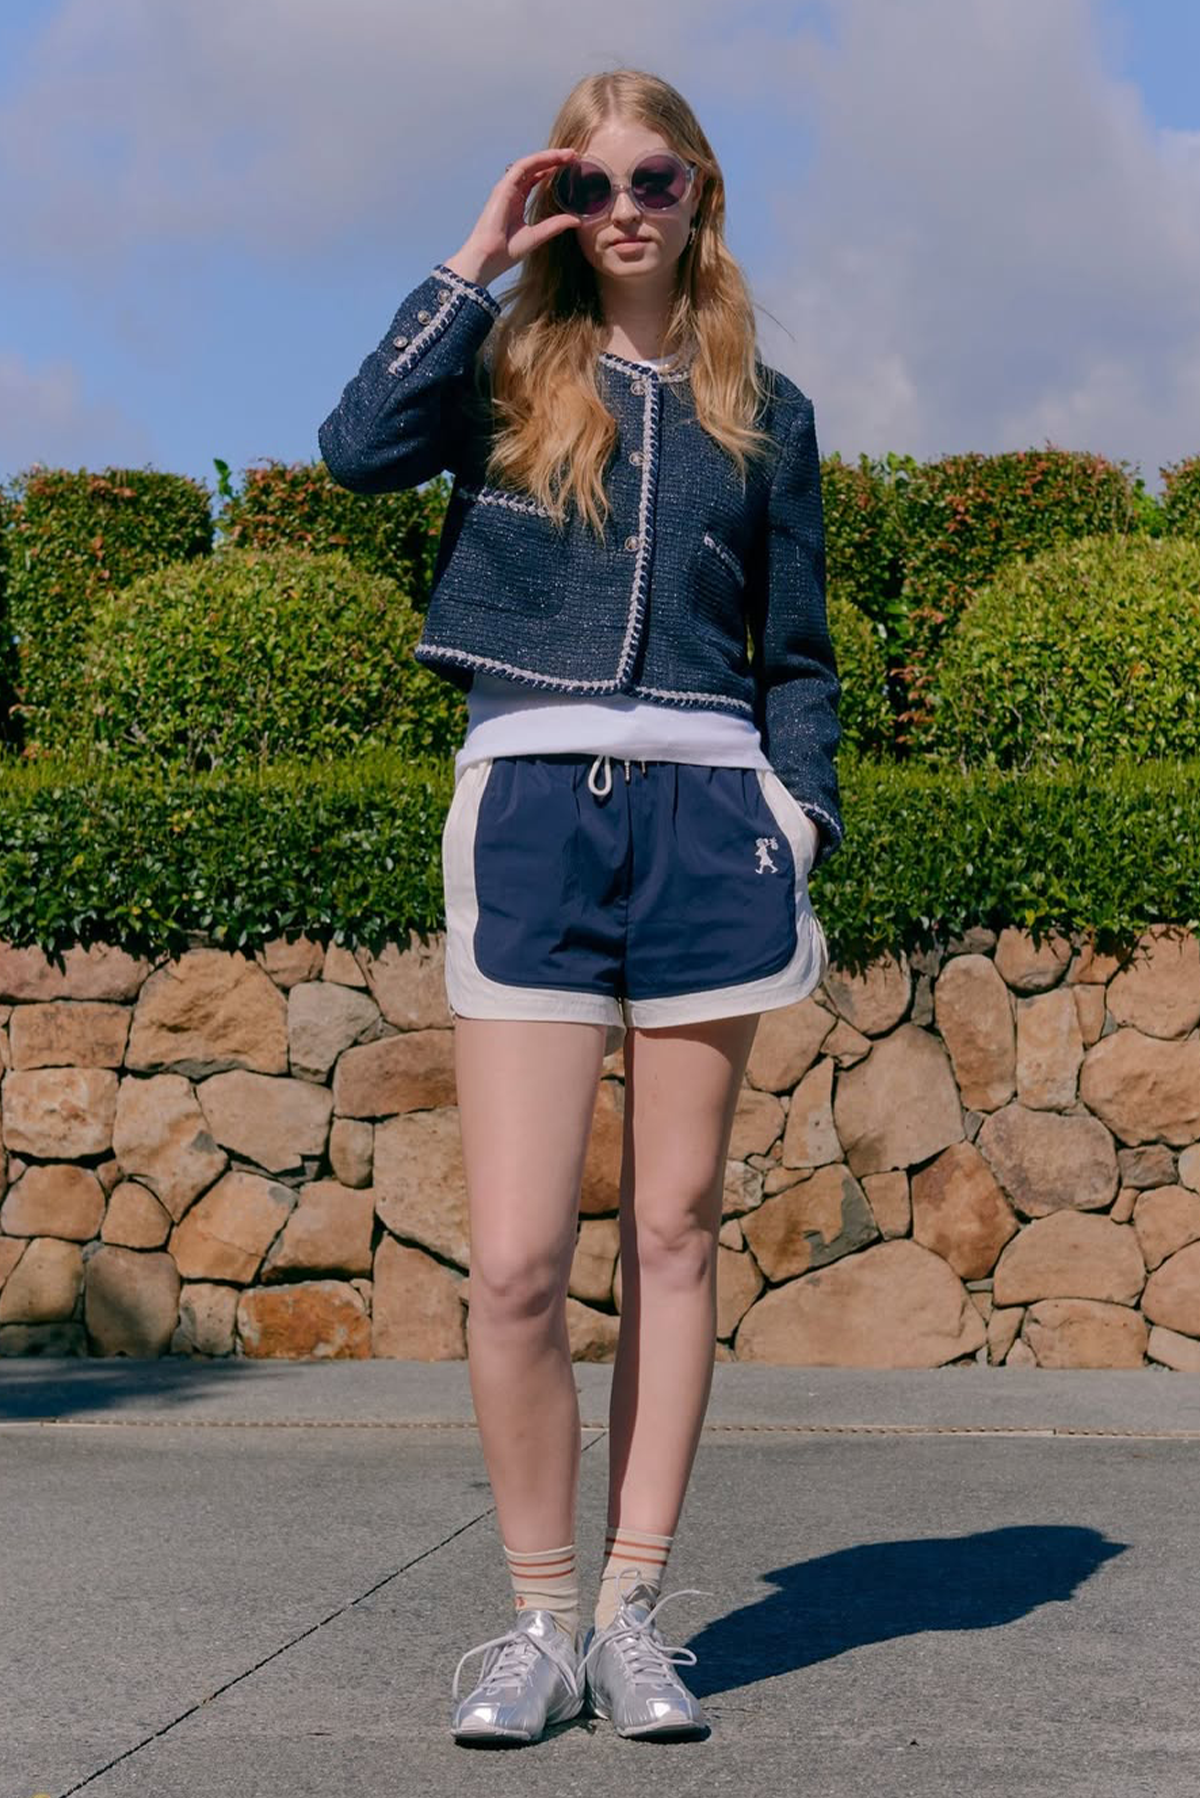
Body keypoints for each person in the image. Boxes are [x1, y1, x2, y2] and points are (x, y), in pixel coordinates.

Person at [318, 67, 843, 1747]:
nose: (624, 207)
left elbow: (798, 657)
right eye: (590, 183)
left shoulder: (772, 413)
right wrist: (474, 257)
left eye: (653, 179)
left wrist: (797, 817)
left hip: (712, 823)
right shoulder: (498, 368)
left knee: (676, 1232)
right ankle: (538, 1617)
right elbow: (351, 451)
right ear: (558, 201)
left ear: (701, 195)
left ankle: (630, 1613)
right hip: (534, 812)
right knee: (519, 1261)